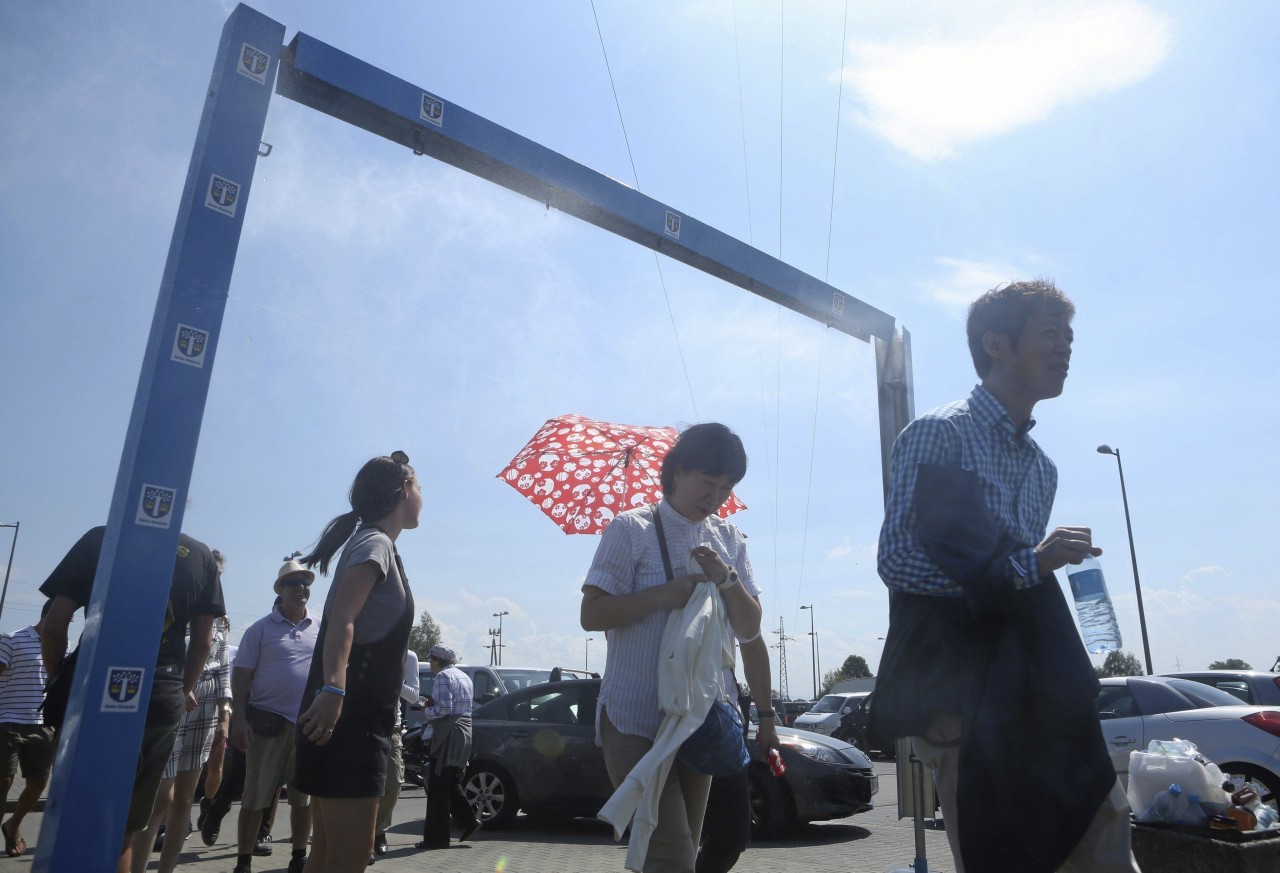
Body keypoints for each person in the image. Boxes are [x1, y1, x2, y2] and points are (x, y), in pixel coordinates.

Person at [872, 280, 1138, 873]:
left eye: (1069, 336)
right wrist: (1030, 564)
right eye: (1051, 333)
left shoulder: (1043, 468)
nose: (1066, 348)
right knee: (1002, 851)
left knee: (1102, 824)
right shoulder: (940, 433)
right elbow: (899, 561)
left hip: (1036, 687)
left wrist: (1030, 569)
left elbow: (1008, 582)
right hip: (962, 692)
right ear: (997, 343)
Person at [581, 422, 765, 873]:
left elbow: (750, 627)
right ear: (677, 471)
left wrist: (726, 578)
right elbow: (592, 615)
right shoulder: (631, 529)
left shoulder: (731, 540)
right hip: (635, 715)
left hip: (697, 718)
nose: (716, 495)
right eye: (708, 482)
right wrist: (664, 594)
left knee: (679, 847)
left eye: (726, 487)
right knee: (672, 854)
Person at [39, 526, 224, 873]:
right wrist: (180, 691)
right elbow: (202, 641)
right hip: (162, 690)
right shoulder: (200, 554)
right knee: (121, 829)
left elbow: (53, 624)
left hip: (94, 682)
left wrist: (55, 677)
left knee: (72, 816)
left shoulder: (101, 538)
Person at [293, 451, 421, 873]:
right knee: (350, 859)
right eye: (419, 487)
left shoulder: (371, 541)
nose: (422, 497)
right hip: (350, 719)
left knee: (327, 856)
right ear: (404, 491)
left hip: (349, 719)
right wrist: (333, 688)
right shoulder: (375, 543)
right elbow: (342, 619)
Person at [226, 559, 320, 873]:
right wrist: (238, 719)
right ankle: (243, 861)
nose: (300, 588)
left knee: (302, 798)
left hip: (306, 726)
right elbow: (241, 677)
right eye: (292, 583)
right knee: (255, 797)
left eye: (304, 582)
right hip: (267, 725)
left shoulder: (321, 628)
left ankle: (298, 856)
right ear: (280, 591)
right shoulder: (259, 630)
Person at [129, 607, 231, 873]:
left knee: (185, 799)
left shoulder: (220, 618)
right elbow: (150, 652)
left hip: (206, 708)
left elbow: (223, 669)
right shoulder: (171, 608)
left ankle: (167, 869)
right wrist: (181, 686)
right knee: (161, 797)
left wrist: (225, 715)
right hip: (171, 698)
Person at [0, 601, 55, 858]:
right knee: (4, 781)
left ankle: (13, 825)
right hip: (7, 722)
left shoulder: (62, 646)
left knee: (38, 783)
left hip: (43, 726)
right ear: (49, 615)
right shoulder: (12, 640)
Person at [417, 643, 479, 850]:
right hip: (463, 733)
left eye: (432, 660)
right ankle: (469, 822)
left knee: (438, 785)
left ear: (437, 661)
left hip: (448, 734)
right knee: (449, 780)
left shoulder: (443, 677)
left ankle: (436, 839)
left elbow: (444, 708)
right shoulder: (464, 677)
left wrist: (426, 710)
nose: (431, 665)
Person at [372, 649, 420, 860]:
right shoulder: (367, 647)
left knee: (393, 783)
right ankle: (362, 837)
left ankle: (378, 831)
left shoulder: (408, 656)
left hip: (392, 728)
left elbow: (414, 695)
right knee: (363, 785)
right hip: (361, 725)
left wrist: (392, 680)